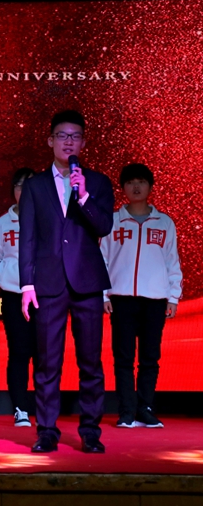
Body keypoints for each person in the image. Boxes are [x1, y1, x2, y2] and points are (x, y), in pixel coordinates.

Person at [19, 110, 114, 454]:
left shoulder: (98, 182)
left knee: (90, 361)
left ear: (83, 142)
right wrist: (27, 285)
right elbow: (28, 237)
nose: (68, 142)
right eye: (62, 136)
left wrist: (84, 196)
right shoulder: (35, 186)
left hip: (87, 282)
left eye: (75, 136)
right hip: (47, 284)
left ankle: (90, 431)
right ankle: (47, 430)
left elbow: (103, 227)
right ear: (50, 141)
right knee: (47, 361)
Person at [100, 163, 182, 429]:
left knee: (150, 358)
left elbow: (172, 261)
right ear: (123, 188)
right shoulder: (113, 221)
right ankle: (126, 411)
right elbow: (102, 259)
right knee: (123, 358)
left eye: (142, 182)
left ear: (150, 186)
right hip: (121, 299)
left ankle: (145, 409)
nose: (136, 187)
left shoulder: (164, 223)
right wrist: (104, 295)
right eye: (130, 182)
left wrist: (173, 297)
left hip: (155, 300)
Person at [0, 167, 37, 428]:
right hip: (14, 296)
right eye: (19, 186)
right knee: (19, 351)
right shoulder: (3, 223)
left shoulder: (48, 219)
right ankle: (20, 409)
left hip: (44, 296)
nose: (24, 192)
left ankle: (45, 408)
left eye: (30, 186)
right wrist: (8, 279)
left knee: (45, 353)